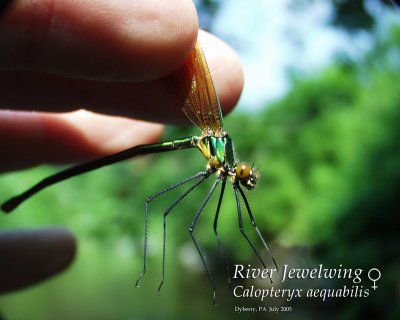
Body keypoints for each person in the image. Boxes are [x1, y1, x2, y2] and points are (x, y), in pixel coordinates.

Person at [0, 0, 243, 293]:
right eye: (243, 173)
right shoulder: (218, 144)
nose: (244, 175)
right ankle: (164, 277)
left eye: (244, 175)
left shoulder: (223, 163)